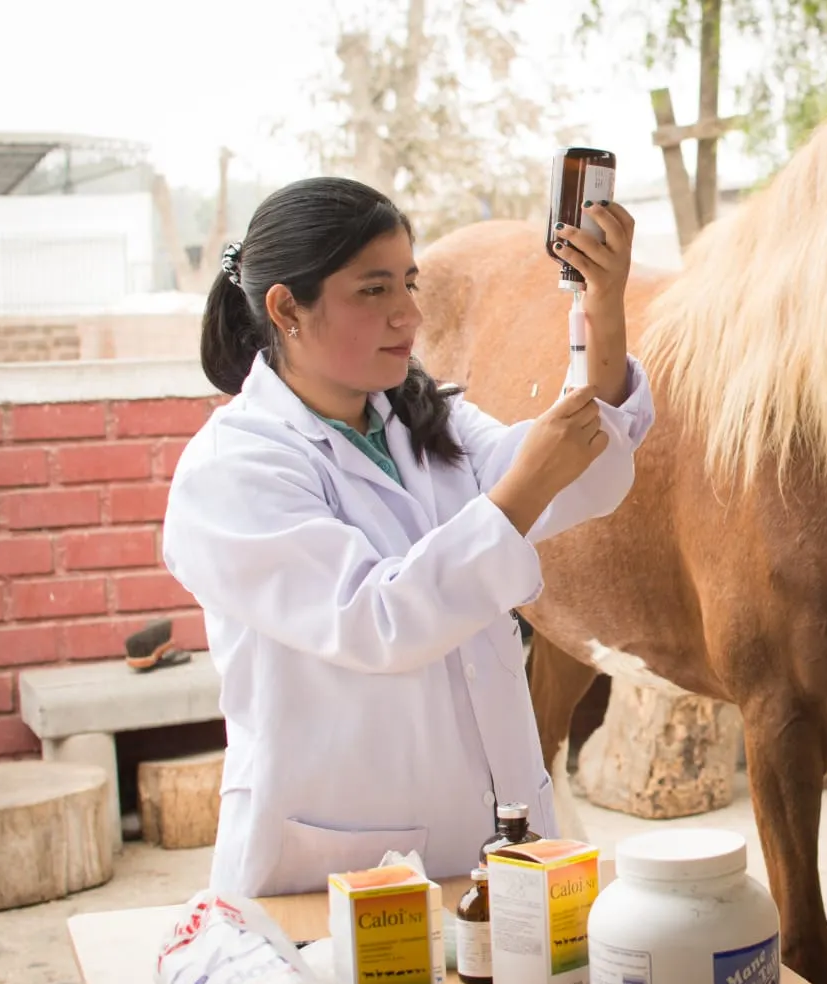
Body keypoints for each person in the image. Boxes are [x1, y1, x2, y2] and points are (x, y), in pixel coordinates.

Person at [161, 177, 653, 898]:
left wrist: (601, 306)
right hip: (329, 868)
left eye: (411, 284)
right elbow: (377, 620)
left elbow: (585, 472)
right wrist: (520, 489)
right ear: (286, 307)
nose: (409, 315)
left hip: (491, 848)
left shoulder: (430, 422)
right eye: (374, 291)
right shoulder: (232, 469)